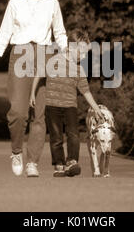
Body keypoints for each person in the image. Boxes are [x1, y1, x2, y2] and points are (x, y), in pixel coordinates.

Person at [0, 0, 68, 177]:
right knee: (18, 112)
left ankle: (33, 161)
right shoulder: (15, 3)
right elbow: (4, 34)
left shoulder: (52, 3)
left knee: (39, 115)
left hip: (44, 54)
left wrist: (66, 54)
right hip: (21, 54)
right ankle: (16, 151)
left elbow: (59, 33)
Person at [29, 29, 104, 177]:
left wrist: (96, 109)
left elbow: (86, 92)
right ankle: (59, 165)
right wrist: (32, 93)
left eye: (85, 53)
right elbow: (39, 75)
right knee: (56, 137)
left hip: (70, 105)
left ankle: (72, 162)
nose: (82, 56)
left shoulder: (79, 70)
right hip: (52, 105)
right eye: (80, 52)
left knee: (73, 135)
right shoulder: (54, 61)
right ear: (70, 47)